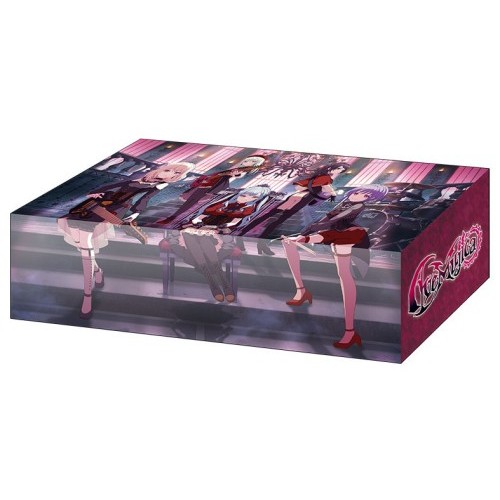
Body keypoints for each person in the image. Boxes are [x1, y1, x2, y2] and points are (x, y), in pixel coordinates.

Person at [58, 162, 194, 318]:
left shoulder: (159, 186)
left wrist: (134, 214)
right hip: (97, 203)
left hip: (114, 210)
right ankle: (97, 270)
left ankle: (87, 296)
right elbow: (114, 185)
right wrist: (94, 192)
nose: (169, 173)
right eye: (168, 169)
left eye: (175, 173)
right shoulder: (138, 179)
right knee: (80, 242)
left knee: (85, 247)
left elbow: (144, 200)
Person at [282, 184, 388, 349]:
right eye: (358, 192)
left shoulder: (358, 207)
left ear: (369, 199)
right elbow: (325, 221)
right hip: (332, 234)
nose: (358, 195)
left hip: (352, 236)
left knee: (344, 275)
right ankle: (301, 291)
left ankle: (350, 331)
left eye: (365, 195)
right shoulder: (344, 203)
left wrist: (305, 237)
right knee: (289, 244)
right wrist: (303, 234)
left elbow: (331, 223)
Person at [168, 186, 271, 302]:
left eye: (253, 197)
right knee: (191, 237)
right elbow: (202, 215)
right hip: (198, 227)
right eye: (244, 195)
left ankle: (214, 286)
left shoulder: (249, 208)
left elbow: (235, 222)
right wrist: (198, 222)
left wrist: (219, 227)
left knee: (204, 241)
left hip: (216, 231)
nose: (246, 198)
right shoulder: (223, 203)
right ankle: (224, 287)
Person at [156, 155, 266, 226]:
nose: (247, 161)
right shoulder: (236, 168)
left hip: (214, 189)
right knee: (189, 203)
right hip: (206, 186)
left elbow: (237, 175)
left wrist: (233, 174)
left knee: (196, 205)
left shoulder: (241, 171)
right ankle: (174, 218)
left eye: (252, 161)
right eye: (247, 160)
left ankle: (177, 219)